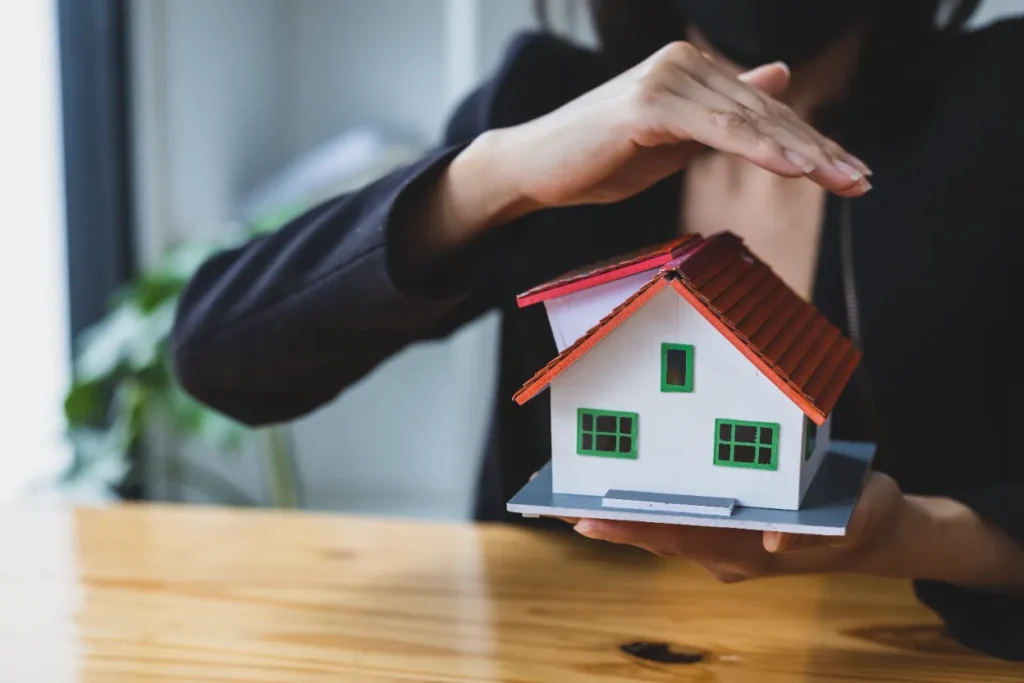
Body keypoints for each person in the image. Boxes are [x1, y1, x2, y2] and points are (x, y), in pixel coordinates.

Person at [170, 0, 1023, 660]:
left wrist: (925, 535)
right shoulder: (551, 98)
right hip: (556, 651)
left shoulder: (1001, 100)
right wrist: (494, 177)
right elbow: (220, 358)